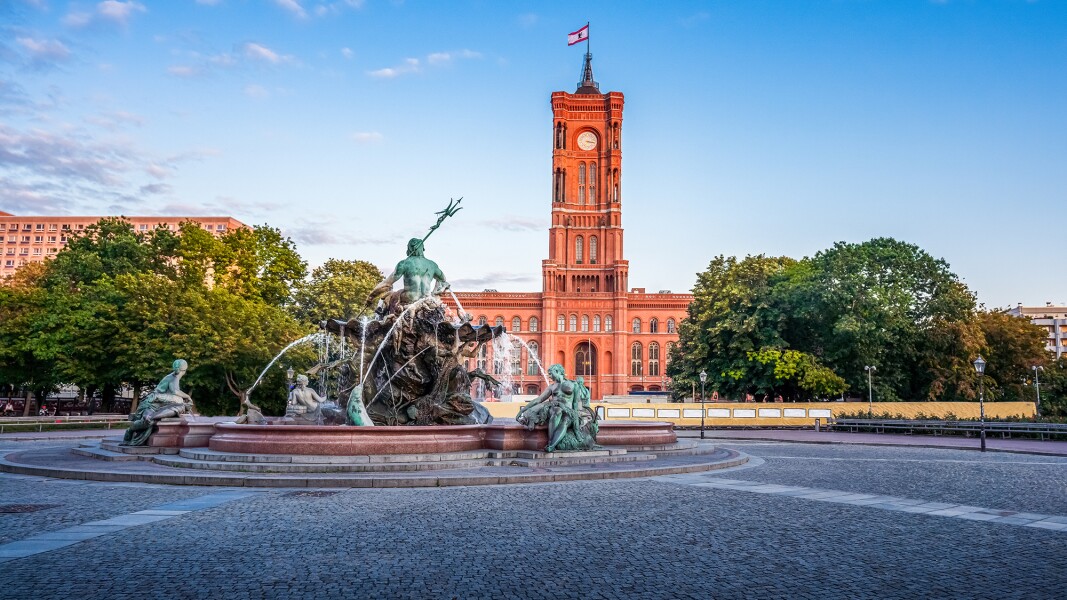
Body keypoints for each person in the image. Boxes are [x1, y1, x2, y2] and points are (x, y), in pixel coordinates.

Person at [122, 359, 195, 446]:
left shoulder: (172, 376)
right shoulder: (174, 377)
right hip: (152, 402)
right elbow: (175, 391)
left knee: (149, 420)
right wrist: (187, 396)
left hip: (152, 402)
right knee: (149, 421)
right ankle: (130, 430)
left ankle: (131, 430)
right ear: (184, 370)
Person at [365, 238, 450, 308]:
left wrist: (371, 296)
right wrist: (434, 293)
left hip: (409, 299)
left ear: (409, 248)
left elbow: (387, 284)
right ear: (423, 249)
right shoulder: (432, 265)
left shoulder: (404, 263)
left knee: (389, 295)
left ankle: (382, 319)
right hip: (427, 299)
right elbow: (443, 280)